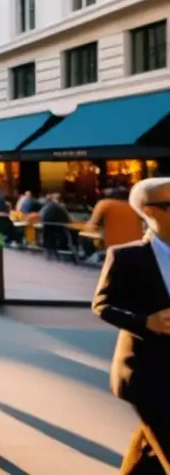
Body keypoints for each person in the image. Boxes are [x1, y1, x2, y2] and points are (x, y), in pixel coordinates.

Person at [93, 177, 170, 473]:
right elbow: (102, 304)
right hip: (147, 374)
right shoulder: (127, 256)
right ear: (150, 211)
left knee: (149, 454)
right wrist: (145, 322)